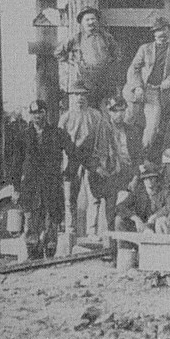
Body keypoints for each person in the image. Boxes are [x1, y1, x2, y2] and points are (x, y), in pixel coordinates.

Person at [9, 100, 77, 259]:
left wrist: (68, 173)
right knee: (31, 220)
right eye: (34, 113)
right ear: (30, 115)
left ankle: (50, 254)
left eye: (40, 112)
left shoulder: (57, 133)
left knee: (52, 221)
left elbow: (74, 153)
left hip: (51, 184)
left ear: (46, 113)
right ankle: (33, 255)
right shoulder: (23, 135)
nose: (37, 116)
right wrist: (16, 188)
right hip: (31, 186)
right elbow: (15, 164)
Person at [124, 15, 170, 150]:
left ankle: (141, 156)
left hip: (156, 93)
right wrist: (137, 86)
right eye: (158, 30)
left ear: (169, 31)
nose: (161, 33)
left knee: (152, 127)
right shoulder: (145, 48)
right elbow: (134, 68)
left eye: (164, 29)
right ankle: (123, 151)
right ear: (154, 34)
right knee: (128, 119)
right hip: (140, 90)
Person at [86, 95, 142, 247]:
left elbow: (138, 157)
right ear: (109, 112)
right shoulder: (99, 130)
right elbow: (84, 152)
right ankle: (112, 249)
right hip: (109, 176)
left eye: (122, 111)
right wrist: (96, 167)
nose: (119, 115)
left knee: (131, 207)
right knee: (111, 211)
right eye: (115, 111)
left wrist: (136, 177)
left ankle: (130, 245)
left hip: (128, 175)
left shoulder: (132, 131)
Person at [58, 83, 105, 237]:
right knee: (70, 197)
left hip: (91, 159)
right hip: (71, 159)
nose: (80, 98)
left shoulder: (95, 116)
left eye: (83, 94)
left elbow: (101, 140)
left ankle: (92, 232)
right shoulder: (65, 118)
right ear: (71, 96)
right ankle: (70, 231)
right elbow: (59, 143)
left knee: (94, 196)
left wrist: (98, 160)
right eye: (76, 94)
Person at [54, 7, 124, 108]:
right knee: (86, 111)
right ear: (82, 23)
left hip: (104, 82)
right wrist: (70, 61)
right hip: (83, 83)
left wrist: (109, 65)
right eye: (87, 20)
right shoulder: (76, 38)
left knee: (104, 111)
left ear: (97, 21)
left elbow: (117, 54)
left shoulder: (106, 37)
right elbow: (58, 52)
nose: (91, 22)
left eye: (93, 19)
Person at [114, 162, 169, 247]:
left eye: (152, 178)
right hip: (141, 227)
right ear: (143, 180)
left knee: (161, 222)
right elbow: (120, 207)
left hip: (158, 228)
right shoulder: (139, 194)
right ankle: (125, 252)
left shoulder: (164, 192)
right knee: (119, 220)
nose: (149, 181)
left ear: (156, 179)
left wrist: (156, 216)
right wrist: (135, 218)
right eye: (146, 179)